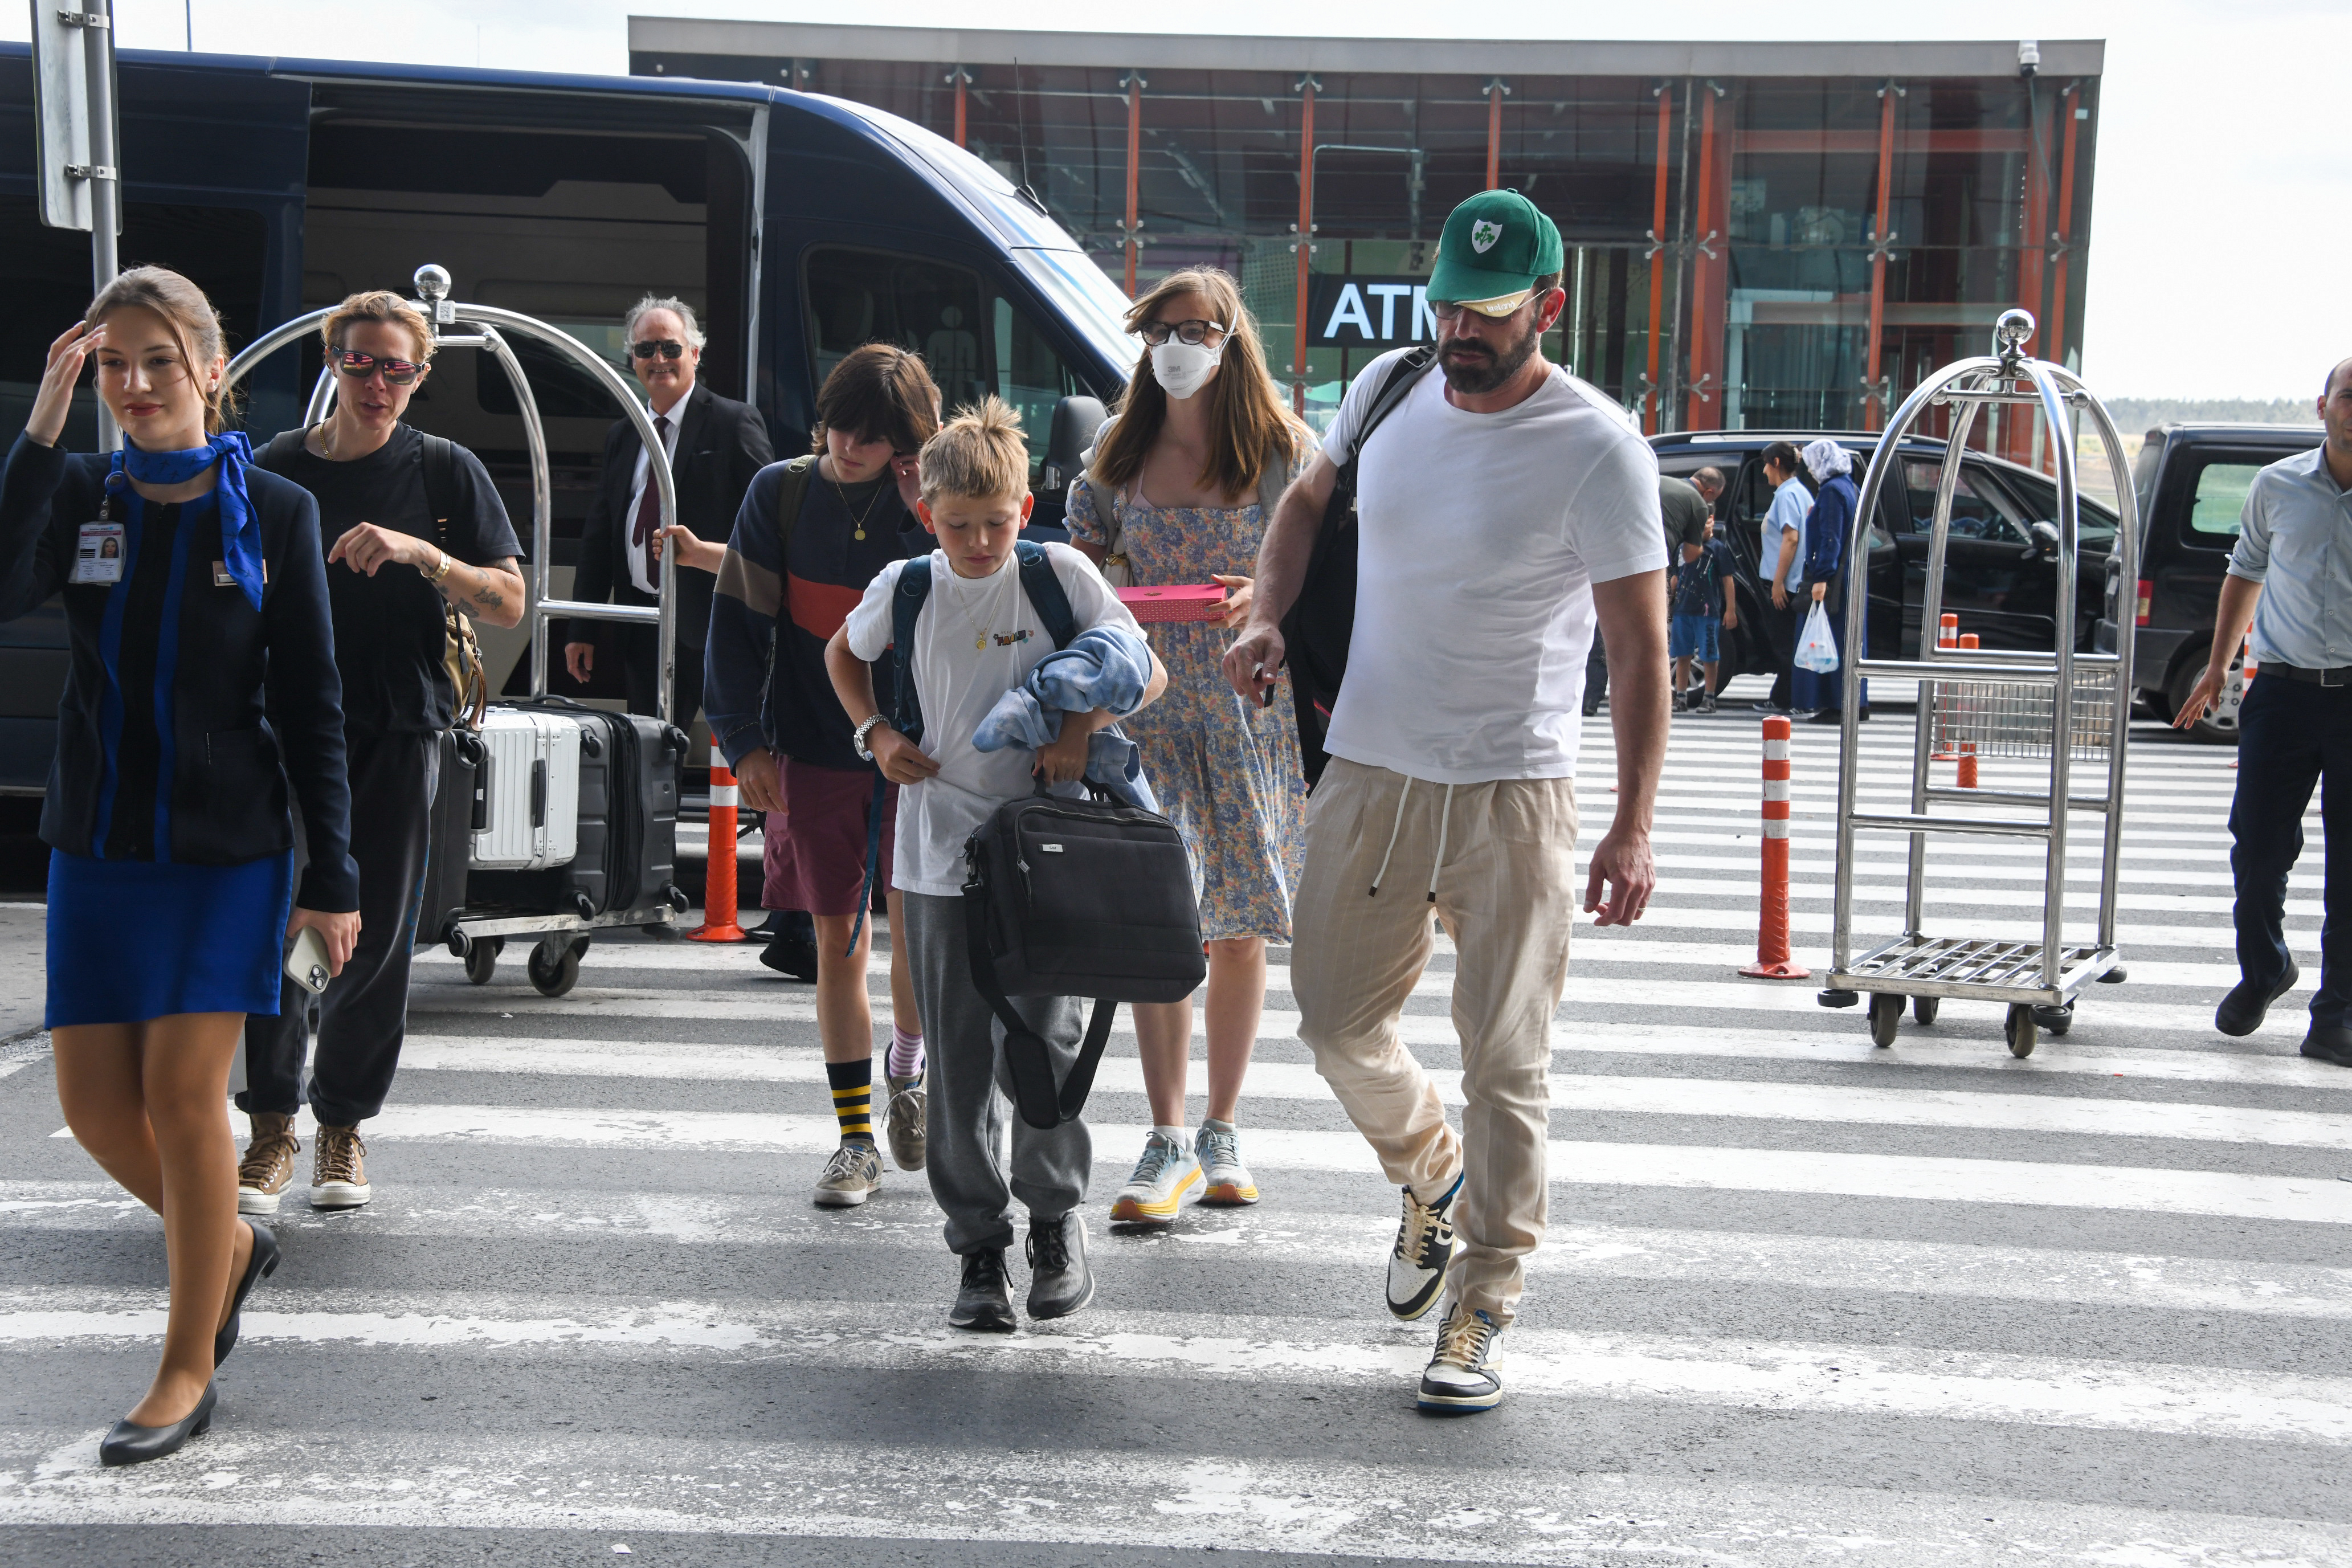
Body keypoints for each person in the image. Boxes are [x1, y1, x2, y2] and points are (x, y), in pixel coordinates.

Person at [1223, 190, 1668, 1414]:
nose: (1459, 332)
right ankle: (1433, 1173)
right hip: (1368, 765)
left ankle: (1484, 1298)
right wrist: (1267, 610)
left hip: (1517, 790)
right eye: (1446, 308)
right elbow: (1307, 503)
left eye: (1486, 313)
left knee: (1506, 1061)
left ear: (1549, 307)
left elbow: (1637, 651)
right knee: (1332, 1020)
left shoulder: (1600, 446)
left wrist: (1632, 822)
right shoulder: (1387, 390)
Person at [2, 268, 360, 1465]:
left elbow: (313, 700)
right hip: (98, 843)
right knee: (94, 1109)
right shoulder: (87, 492)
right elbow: (3, 584)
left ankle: (184, 1361)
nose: (138, 384)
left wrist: (335, 875)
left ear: (213, 367)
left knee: (179, 1097)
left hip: (228, 851)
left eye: (162, 358)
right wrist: (41, 435)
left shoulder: (280, 514)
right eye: (115, 364)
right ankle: (236, 1246)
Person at [828, 397, 1165, 1330]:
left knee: (1044, 1053)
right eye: (956, 525)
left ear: (1024, 509)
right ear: (925, 513)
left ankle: (1053, 1223)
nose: (977, 541)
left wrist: (1074, 725)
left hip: (1042, 856)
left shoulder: (1055, 574)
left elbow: (1143, 669)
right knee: (961, 1063)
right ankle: (978, 1247)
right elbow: (840, 657)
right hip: (936, 857)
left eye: (995, 522)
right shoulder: (904, 586)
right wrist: (876, 731)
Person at [237, 291, 524, 1215]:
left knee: (379, 930)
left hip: (400, 726)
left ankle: (341, 1125)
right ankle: (274, 1122)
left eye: (396, 366)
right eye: (359, 363)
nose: (377, 382)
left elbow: (508, 602)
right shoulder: (278, 465)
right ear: (331, 363)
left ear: (421, 374)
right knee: (285, 921)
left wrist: (419, 554)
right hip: (283, 726)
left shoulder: (442, 471)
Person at [1065, 266, 1313, 1224]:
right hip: (1143, 714)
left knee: (1238, 924)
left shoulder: (1285, 453)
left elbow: (1333, 563)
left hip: (1247, 710)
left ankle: (1220, 1128)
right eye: (1164, 329)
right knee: (1160, 924)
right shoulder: (1111, 455)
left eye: (1198, 329)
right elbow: (1072, 568)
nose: (1179, 345)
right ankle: (1164, 1135)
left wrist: (1267, 595)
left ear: (1230, 338)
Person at [707, 343, 938, 1206]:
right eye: (842, 426)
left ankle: (908, 1075)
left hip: (925, 757)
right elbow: (735, 626)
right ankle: (854, 1139)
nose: (851, 446)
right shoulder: (782, 491)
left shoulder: (938, 496)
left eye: (875, 438)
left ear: (908, 441)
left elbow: (992, 587)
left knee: (919, 938)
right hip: (812, 747)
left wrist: (924, 507)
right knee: (838, 946)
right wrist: (744, 746)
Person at [2176, 356, 2352, 1067]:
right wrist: (2218, 665)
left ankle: (2335, 1014)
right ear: (2324, 406)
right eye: (2350, 396)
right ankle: (2265, 968)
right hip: (2278, 692)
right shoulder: (2277, 486)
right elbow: (2244, 570)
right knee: (2257, 849)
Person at [566, 296, 773, 723]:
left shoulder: (734, 423)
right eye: (646, 349)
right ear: (634, 359)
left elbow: (769, 520)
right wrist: (582, 627)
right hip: (642, 625)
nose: (658, 359)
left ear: (694, 354)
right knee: (650, 764)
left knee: (747, 753)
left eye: (670, 348)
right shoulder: (623, 435)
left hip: (717, 624)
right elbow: (600, 537)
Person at [1791, 438, 1869, 723]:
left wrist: (1821, 577)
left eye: (1811, 464)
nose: (1810, 471)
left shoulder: (1831, 492)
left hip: (1834, 577)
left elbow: (1830, 537)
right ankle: (1855, 701)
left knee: (1830, 639)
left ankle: (1836, 704)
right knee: (1850, 639)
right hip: (1850, 575)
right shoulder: (1850, 487)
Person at [1752, 440, 1808, 715]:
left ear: (1776, 464)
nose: (1763, 471)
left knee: (1784, 643)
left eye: (1765, 464)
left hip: (1786, 582)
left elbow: (1791, 539)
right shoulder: (1801, 492)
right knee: (1789, 643)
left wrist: (1777, 583)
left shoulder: (1786, 495)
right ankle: (1783, 695)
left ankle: (1788, 698)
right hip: (1797, 580)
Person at [1671, 514, 1738, 714]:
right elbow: (1676, 577)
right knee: (1682, 655)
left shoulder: (1717, 549)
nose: (1708, 528)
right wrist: (1670, 601)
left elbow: (1728, 580)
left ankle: (1709, 698)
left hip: (1707, 613)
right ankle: (1680, 697)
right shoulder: (1682, 548)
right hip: (1683, 611)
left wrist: (1731, 610)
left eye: (1709, 523)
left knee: (1710, 656)